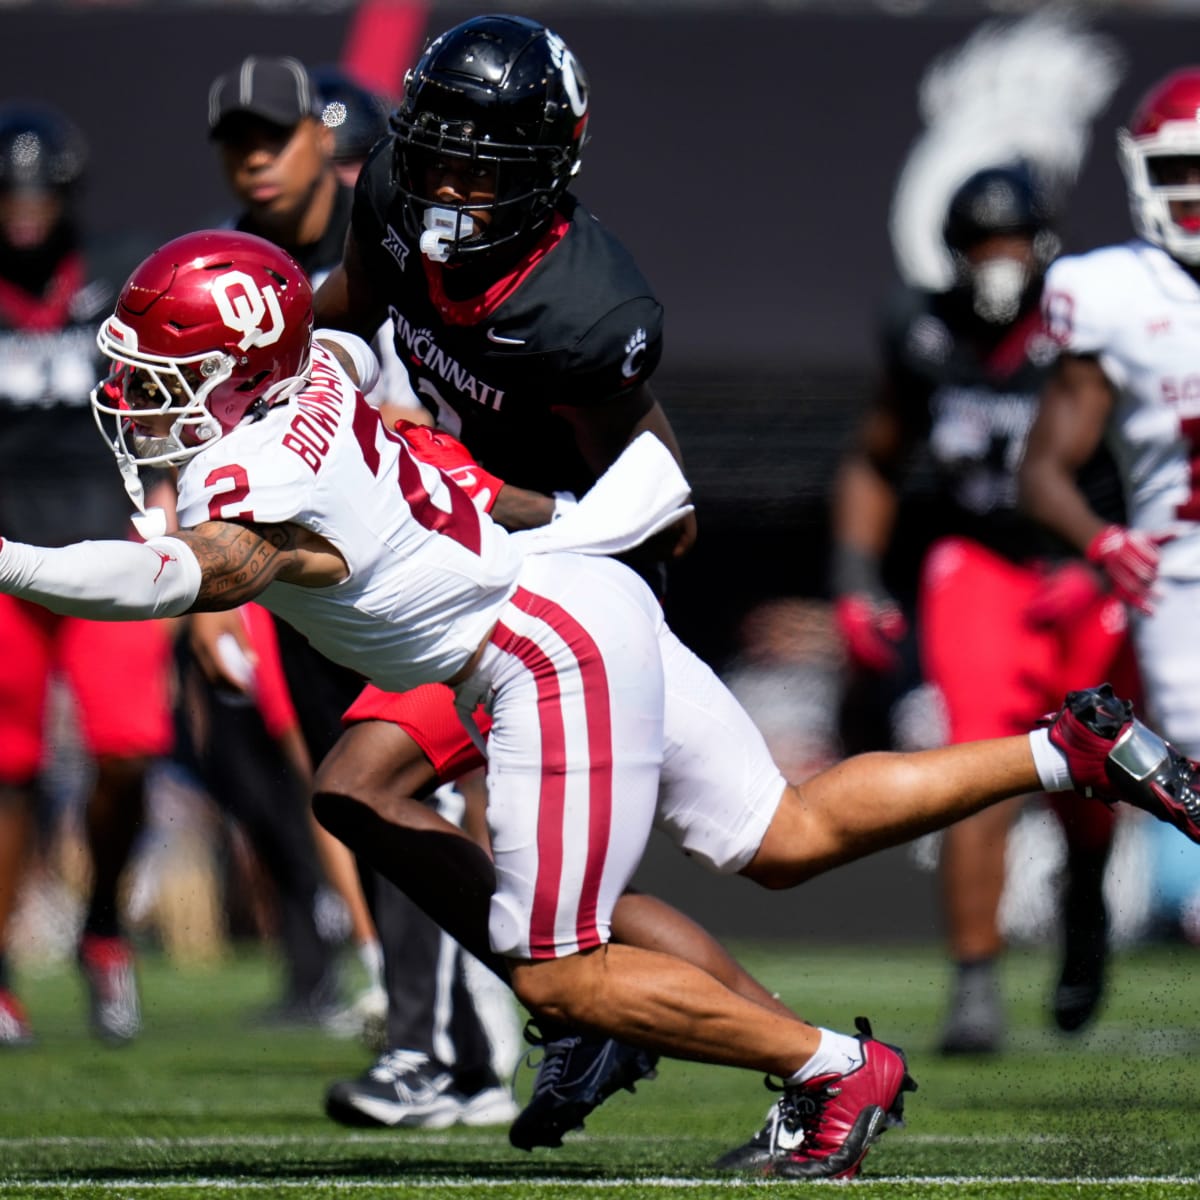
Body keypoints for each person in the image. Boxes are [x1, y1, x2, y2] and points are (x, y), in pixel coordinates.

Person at [3, 229, 1198, 1179]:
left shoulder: (255, 468)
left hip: (536, 646)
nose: (136, 396)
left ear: (240, 366)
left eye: (165, 374)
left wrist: (14, 559)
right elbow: (363, 378)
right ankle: (1063, 753)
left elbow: (176, 574)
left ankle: (830, 1066)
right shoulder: (323, 361)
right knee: (775, 836)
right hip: (570, 596)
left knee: (560, 968)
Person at [309, 14, 702, 1142]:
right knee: (360, 792)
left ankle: (808, 1059)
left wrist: (511, 512)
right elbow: (348, 307)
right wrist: (268, 347)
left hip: (571, 583)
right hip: (471, 566)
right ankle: (618, 1022)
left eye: (481, 167)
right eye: (435, 153)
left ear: (545, 169)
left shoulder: (586, 311)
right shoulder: (389, 194)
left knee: (610, 902)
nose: (445, 186)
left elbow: (655, 494)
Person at [204, 53, 517, 1117]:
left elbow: (449, 413)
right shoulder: (227, 277)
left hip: (411, 576)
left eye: (294, 142)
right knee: (358, 799)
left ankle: (463, 1036)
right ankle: (467, 1036)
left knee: (406, 795)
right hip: (301, 579)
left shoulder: (399, 266)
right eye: (238, 143)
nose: (262, 163)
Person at [831, 163, 1131, 1054]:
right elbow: (875, 457)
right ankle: (974, 980)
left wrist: (1106, 564)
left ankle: (1085, 900)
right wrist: (855, 576)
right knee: (979, 765)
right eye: (980, 244)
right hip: (982, 564)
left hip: (1086, 569)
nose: (997, 261)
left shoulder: (1090, 321)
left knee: (1096, 773)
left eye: (1012, 241)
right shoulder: (923, 329)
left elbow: (1154, 457)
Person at [0, 103, 174, 1048]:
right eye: (8, 192)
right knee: (7, 768)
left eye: (37, 191)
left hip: (108, 549)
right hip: (3, 560)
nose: (23, 209)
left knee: (127, 749)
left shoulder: (121, 277)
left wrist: (172, 506)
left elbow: (173, 396)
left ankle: (104, 926)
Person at [1020, 68, 1200, 856]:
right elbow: (1043, 469)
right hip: (1184, 584)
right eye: (1177, 170)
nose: (1193, 191)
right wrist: (1101, 540)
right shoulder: (1113, 291)